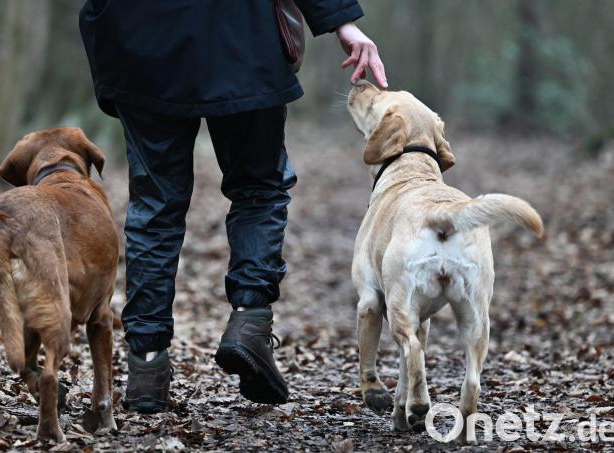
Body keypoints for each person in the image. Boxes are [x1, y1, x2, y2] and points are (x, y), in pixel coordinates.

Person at [79, 0, 387, 413]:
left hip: (142, 43)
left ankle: (146, 367)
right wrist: (342, 23)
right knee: (258, 190)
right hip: (243, 37)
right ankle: (250, 322)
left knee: (155, 209)